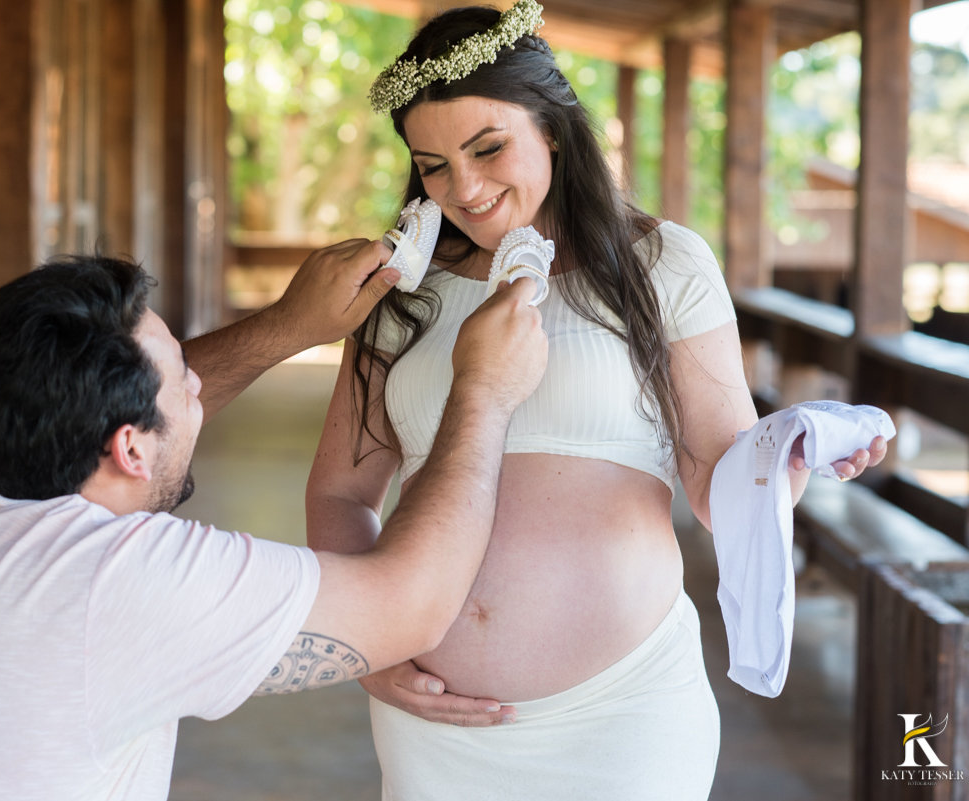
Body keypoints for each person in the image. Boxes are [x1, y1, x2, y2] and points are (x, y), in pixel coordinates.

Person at [305, 4, 888, 799]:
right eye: (433, 164)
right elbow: (342, 491)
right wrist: (366, 643)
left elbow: (725, 486)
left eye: (488, 148)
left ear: (552, 127)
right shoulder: (400, 294)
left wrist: (787, 454)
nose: (464, 188)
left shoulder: (663, 264)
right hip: (437, 726)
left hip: (627, 715)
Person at [0, 243, 548, 800]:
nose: (200, 383)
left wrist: (288, 326)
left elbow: (127, 404)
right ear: (129, 446)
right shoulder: (119, 582)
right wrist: (483, 391)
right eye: (183, 378)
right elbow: (411, 604)